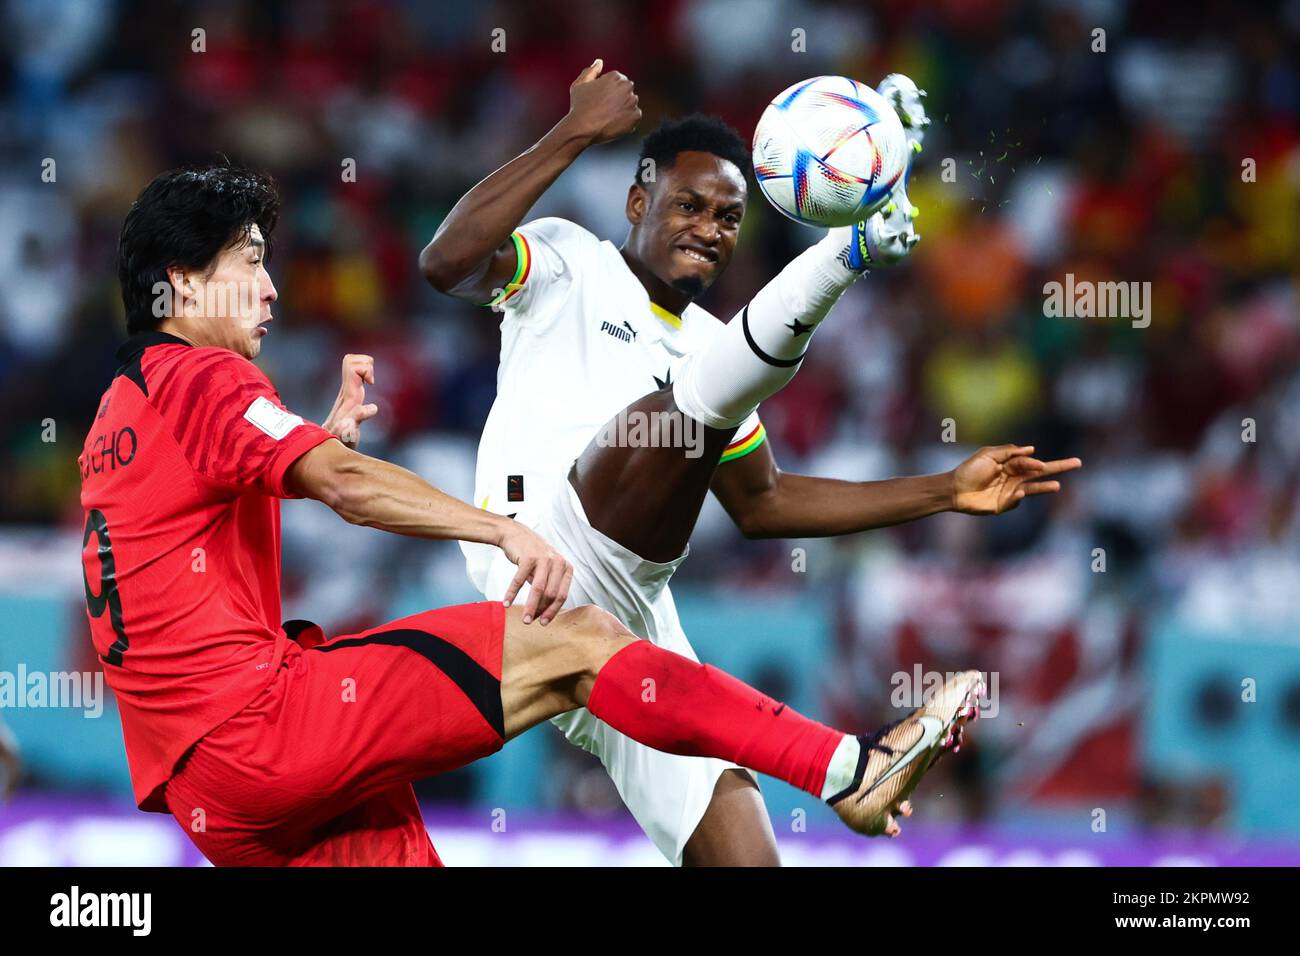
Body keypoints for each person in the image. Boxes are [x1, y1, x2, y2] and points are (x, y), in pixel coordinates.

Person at [79, 162, 981, 866]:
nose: (272, 290)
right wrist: (501, 528)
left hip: (211, 801)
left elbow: (195, 524)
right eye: (250, 263)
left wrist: (314, 439)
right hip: (266, 727)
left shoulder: (118, 415)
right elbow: (346, 490)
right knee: (581, 642)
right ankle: (850, 770)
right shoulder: (200, 374)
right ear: (181, 286)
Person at [421, 61, 1080, 865]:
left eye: (730, 218)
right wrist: (574, 132)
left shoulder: (712, 351)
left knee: (745, 854)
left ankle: (857, 780)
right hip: (536, 563)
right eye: (689, 205)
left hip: (628, 616)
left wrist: (945, 490)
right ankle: (851, 252)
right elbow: (445, 263)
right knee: (671, 418)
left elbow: (764, 504)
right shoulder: (568, 262)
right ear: (638, 202)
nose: (710, 227)